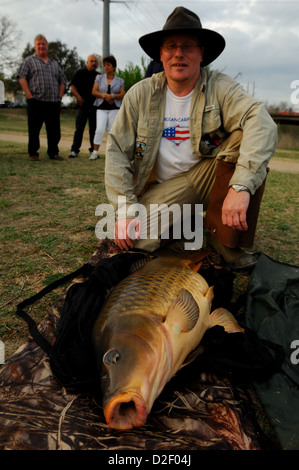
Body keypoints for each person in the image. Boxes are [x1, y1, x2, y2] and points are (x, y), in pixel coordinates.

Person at [105, 7, 277, 270]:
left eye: (188, 46)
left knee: (249, 137)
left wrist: (241, 186)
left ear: (201, 53)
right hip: (164, 188)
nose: (178, 54)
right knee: (136, 241)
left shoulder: (220, 86)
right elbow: (116, 151)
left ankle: (226, 241)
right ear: (161, 54)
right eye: (171, 46)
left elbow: (261, 120)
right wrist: (125, 211)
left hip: (207, 176)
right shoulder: (141, 94)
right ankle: (190, 221)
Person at [17, 34, 67, 161]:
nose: (41, 46)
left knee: (54, 130)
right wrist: (29, 96)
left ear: (47, 46)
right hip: (36, 101)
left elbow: (62, 81)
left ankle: (53, 153)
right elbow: (22, 78)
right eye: (38, 44)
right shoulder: (29, 61)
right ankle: (33, 153)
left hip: (53, 102)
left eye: (43, 44)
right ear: (35, 46)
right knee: (34, 129)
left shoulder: (55, 64)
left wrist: (60, 97)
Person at [89, 55, 125, 160]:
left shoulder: (120, 80)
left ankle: (111, 153)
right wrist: (105, 96)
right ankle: (95, 152)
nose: (106, 67)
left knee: (112, 131)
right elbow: (94, 91)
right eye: (104, 65)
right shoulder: (99, 78)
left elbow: (123, 94)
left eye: (108, 65)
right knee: (99, 129)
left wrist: (112, 96)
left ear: (114, 67)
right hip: (101, 108)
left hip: (114, 109)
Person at [69, 54, 99, 158]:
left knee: (94, 130)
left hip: (94, 107)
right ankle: (74, 150)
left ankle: (93, 151)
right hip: (82, 106)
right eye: (91, 61)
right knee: (79, 129)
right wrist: (78, 97)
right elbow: (73, 87)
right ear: (87, 63)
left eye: (95, 61)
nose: (93, 63)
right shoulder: (79, 73)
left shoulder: (99, 76)